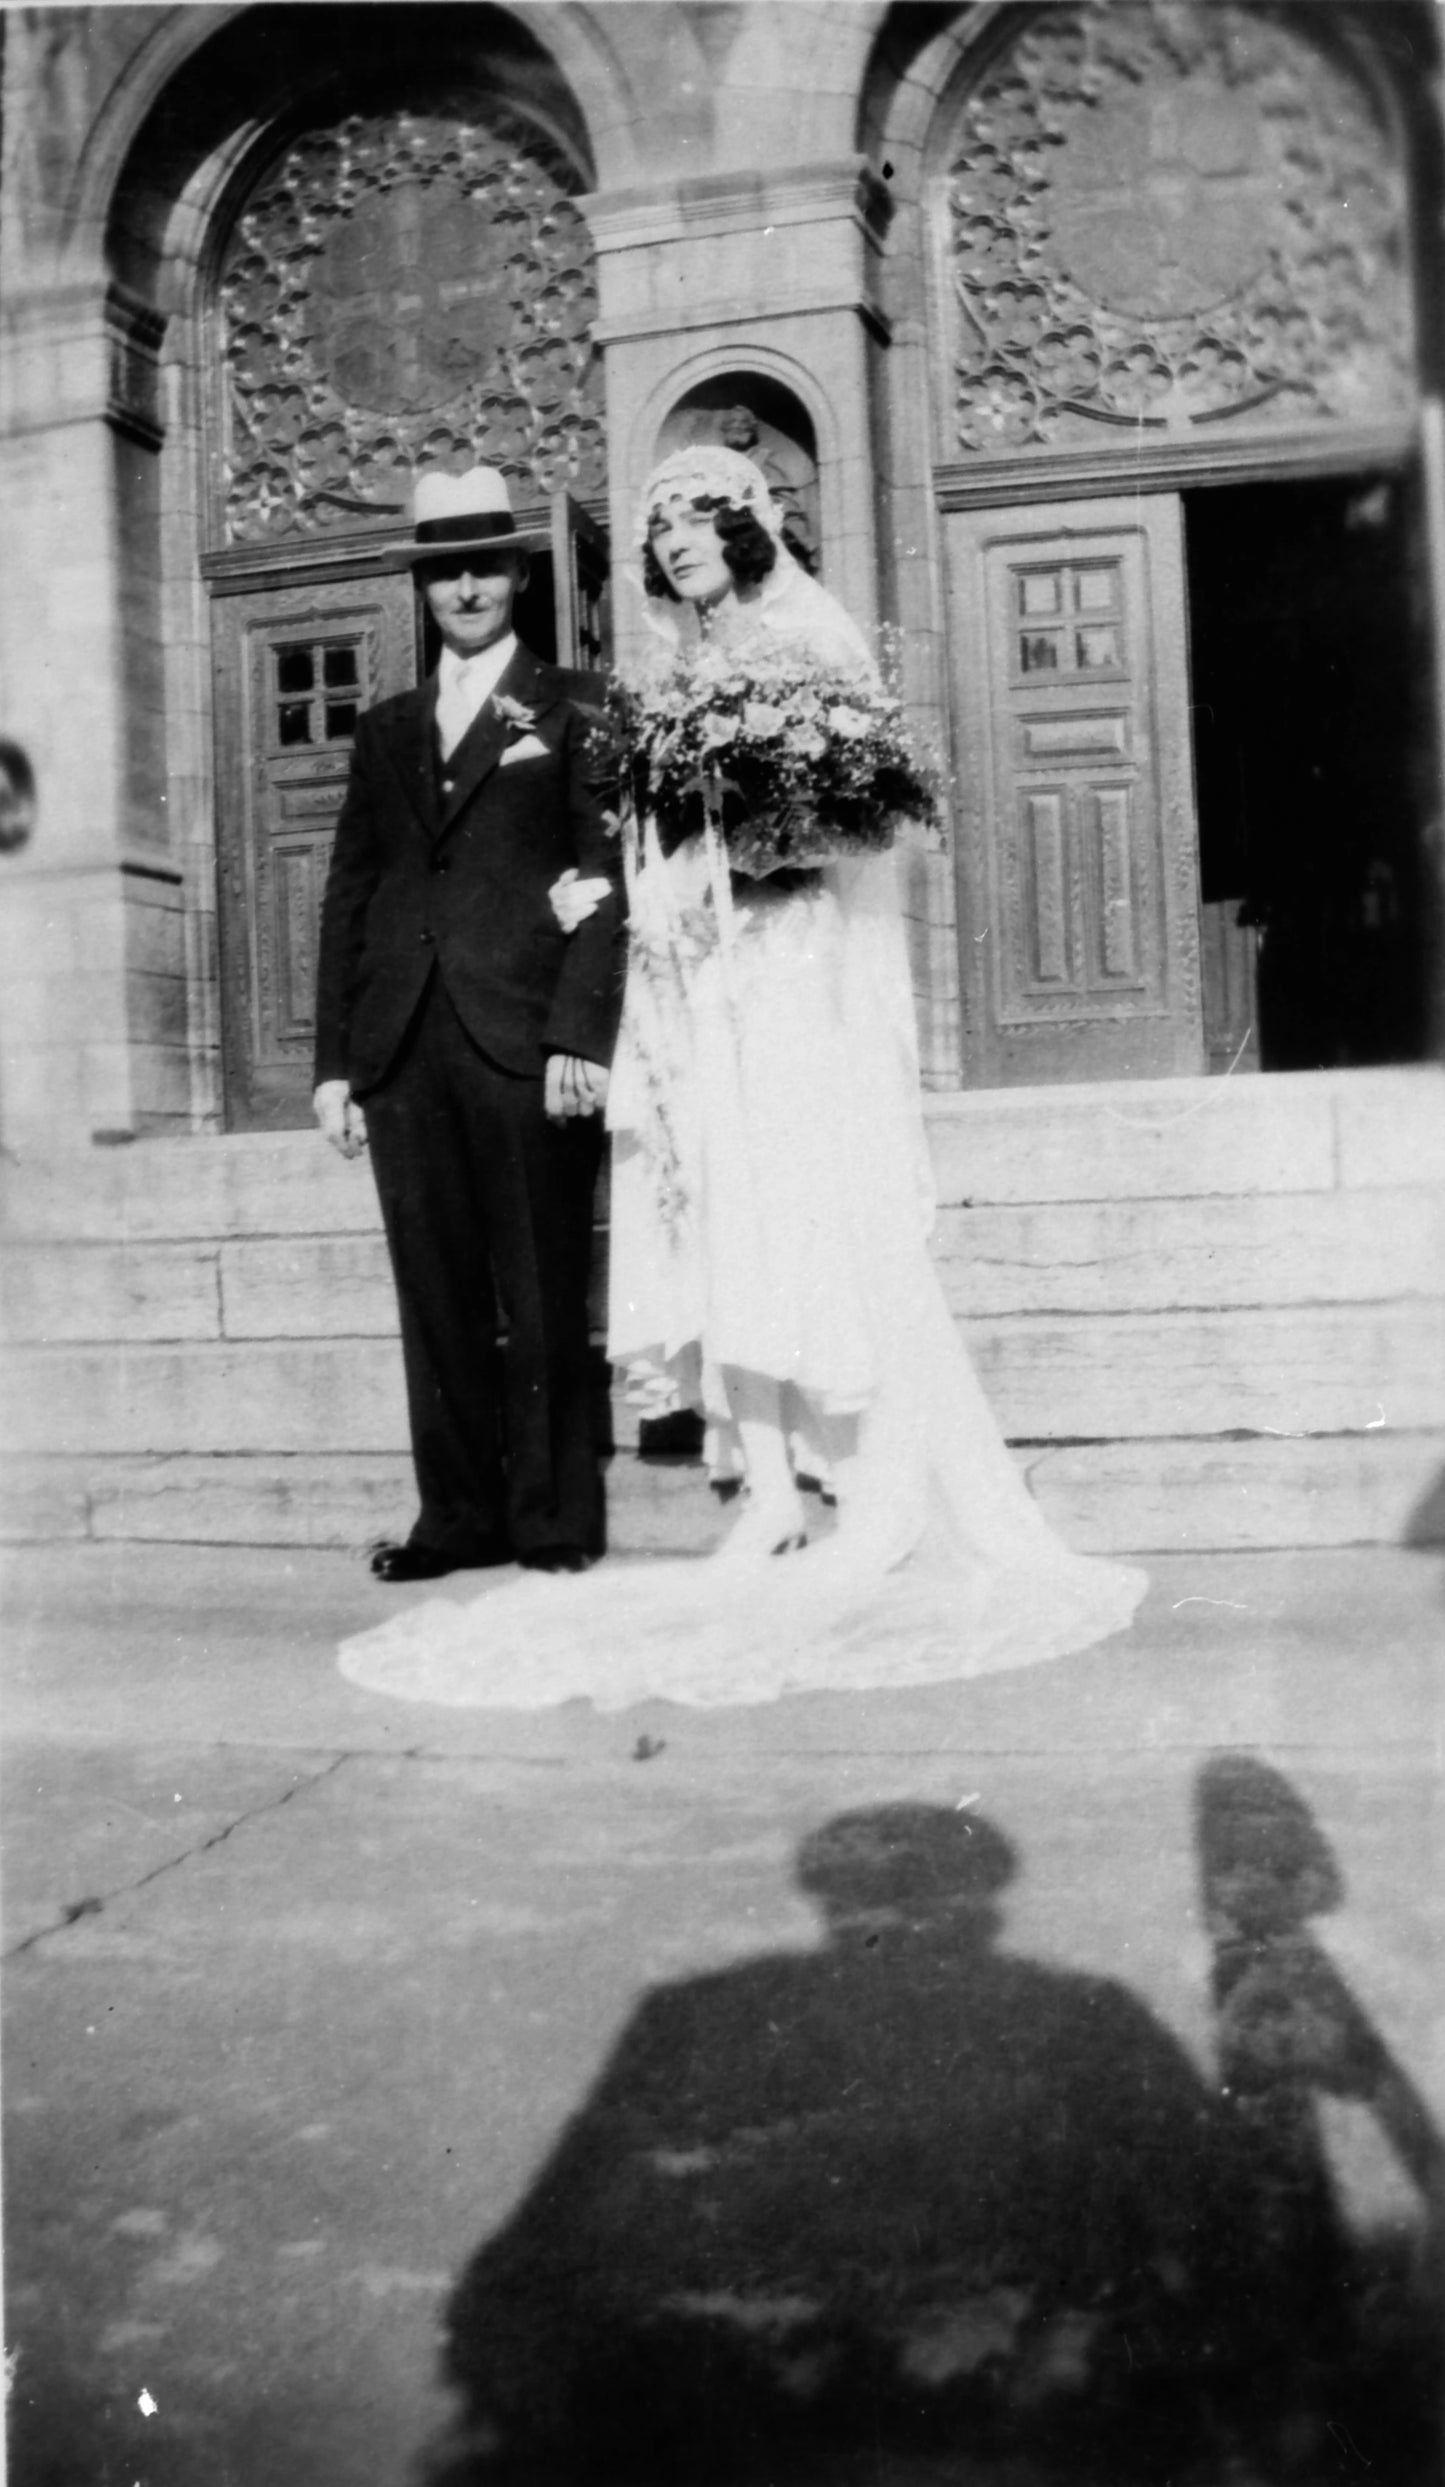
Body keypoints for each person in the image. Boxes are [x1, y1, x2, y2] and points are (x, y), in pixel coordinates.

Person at [337, 448, 1145, 1706]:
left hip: (780, 967)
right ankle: (763, 1484)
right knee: (720, 1214)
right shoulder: (656, 670)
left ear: (746, 527)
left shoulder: (790, 643)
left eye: (694, 523)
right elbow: (632, 837)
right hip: (686, 976)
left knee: (792, 1203)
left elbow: (851, 821)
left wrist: (742, 864)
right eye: (657, 530)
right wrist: (633, 889)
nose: (673, 546)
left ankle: (821, 1476)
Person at [313, 465, 624, 1581]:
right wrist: (335, 1066)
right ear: (424, 587)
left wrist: (579, 1038)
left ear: (516, 576)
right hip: (402, 1046)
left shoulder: (574, 706)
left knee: (537, 1284)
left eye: (483, 566)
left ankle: (547, 1518)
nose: (465, 588)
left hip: (522, 1039)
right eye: (444, 571)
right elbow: (351, 895)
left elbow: (607, 879)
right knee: (432, 1290)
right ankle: (453, 1516)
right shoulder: (386, 729)